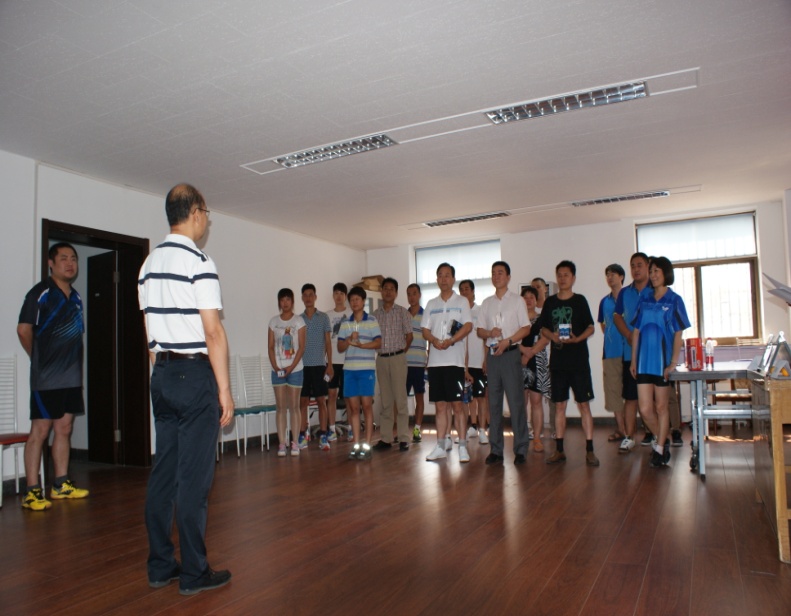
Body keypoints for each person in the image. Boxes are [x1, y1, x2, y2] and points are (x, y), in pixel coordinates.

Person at [138, 184, 233, 595]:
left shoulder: (147, 264)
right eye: (206, 212)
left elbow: (149, 333)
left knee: (163, 474)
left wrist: (160, 376)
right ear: (195, 212)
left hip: (161, 374)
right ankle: (194, 572)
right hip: (194, 376)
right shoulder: (199, 261)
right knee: (194, 480)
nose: (207, 220)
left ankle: (161, 566)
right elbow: (213, 332)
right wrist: (224, 391)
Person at [17, 242, 89, 511]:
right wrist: (38, 359)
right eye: (64, 258)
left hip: (72, 378)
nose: (70, 263)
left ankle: (60, 484)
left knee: (65, 429)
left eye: (73, 259)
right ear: (51, 263)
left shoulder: (77, 297)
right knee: (40, 431)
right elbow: (23, 329)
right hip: (46, 378)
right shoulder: (40, 293)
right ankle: (32, 491)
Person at [536, 260, 599, 466]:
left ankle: (590, 450)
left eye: (566, 275)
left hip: (579, 361)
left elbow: (591, 327)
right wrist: (552, 336)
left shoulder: (580, 301)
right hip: (558, 363)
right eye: (559, 275)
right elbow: (543, 328)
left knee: (584, 405)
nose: (562, 278)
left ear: (573, 278)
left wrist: (577, 339)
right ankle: (559, 450)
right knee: (560, 405)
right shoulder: (550, 302)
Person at [630, 256, 690, 467]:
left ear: (666, 274)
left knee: (662, 407)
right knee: (645, 409)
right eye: (651, 271)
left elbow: (678, 334)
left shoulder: (674, 300)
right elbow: (636, 331)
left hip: (663, 362)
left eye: (657, 271)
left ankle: (660, 448)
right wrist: (633, 360)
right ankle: (662, 440)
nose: (653, 275)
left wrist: (673, 363)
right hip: (643, 362)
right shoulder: (644, 298)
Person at [478, 262, 532, 465]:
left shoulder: (517, 301)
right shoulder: (486, 303)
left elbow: (526, 328)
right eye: (493, 273)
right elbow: (479, 331)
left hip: (510, 354)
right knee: (493, 404)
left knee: (516, 403)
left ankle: (521, 449)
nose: (496, 276)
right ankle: (496, 449)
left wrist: (508, 341)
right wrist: (489, 333)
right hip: (493, 356)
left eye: (500, 273)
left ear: (508, 277)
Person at [421, 263, 472, 463]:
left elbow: (468, 326)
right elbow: (425, 330)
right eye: (440, 275)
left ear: (453, 279)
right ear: (437, 279)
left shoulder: (462, 302)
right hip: (435, 362)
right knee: (440, 406)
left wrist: (451, 340)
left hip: (455, 362)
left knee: (457, 405)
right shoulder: (431, 304)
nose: (444, 279)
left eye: (447, 275)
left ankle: (463, 446)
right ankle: (441, 445)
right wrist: (434, 340)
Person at [337, 286, 382, 459]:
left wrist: (363, 345)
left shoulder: (372, 320)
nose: (354, 302)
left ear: (363, 301)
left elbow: (378, 342)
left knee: (367, 406)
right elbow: (340, 347)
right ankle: (356, 445)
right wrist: (348, 340)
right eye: (352, 300)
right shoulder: (345, 323)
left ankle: (367, 445)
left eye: (357, 299)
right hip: (349, 370)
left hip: (366, 370)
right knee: (354, 409)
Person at [612, 253, 650, 453]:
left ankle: (657, 436)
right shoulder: (625, 293)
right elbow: (617, 316)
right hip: (631, 354)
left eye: (640, 265)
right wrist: (628, 334)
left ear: (648, 266)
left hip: (653, 355)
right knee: (630, 397)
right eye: (633, 266)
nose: (636, 269)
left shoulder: (656, 290)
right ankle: (629, 437)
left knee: (654, 399)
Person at [372, 278, 413, 452]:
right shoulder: (375, 315)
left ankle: (403, 438)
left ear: (396, 293)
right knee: (386, 401)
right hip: (381, 359)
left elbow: (409, 336)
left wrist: (402, 352)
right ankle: (386, 438)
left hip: (397, 358)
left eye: (391, 289)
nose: (388, 291)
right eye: (385, 288)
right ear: (381, 292)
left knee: (401, 400)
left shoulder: (403, 312)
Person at [268, 288, 306, 457]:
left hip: (295, 370)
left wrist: (290, 368)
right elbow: (270, 347)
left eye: (288, 299)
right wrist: (276, 367)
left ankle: (295, 442)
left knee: (294, 407)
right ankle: (282, 443)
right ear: (279, 302)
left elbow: (302, 347)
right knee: (281, 408)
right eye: (282, 300)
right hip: (277, 370)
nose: (285, 303)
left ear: (292, 301)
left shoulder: (299, 321)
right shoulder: (273, 322)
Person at [298, 284, 333, 450]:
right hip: (302, 366)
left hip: (319, 365)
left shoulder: (323, 317)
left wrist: (329, 364)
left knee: (321, 401)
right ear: (302, 298)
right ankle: (302, 435)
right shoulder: (298, 320)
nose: (308, 298)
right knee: (303, 401)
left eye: (311, 295)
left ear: (315, 297)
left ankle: (323, 435)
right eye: (305, 295)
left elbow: (328, 342)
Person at [598, 264, 627, 443]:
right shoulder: (605, 301)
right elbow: (603, 325)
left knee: (633, 392)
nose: (609, 277)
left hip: (630, 352)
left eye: (613, 274)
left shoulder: (630, 297)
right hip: (610, 352)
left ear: (622, 276)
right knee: (614, 392)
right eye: (607, 275)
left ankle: (636, 430)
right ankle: (621, 430)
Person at [519, 286, 550, 453]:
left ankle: (537, 438)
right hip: (518, 362)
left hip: (537, 361)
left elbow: (545, 339)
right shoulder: (517, 319)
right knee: (521, 402)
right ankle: (522, 436)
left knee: (536, 401)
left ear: (536, 300)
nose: (528, 300)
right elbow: (511, 339)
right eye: (525, 297)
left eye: (532, 297)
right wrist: (523, 351)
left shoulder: (542, 318)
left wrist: (529, 354)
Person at [459, 279, 489, 444]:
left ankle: (482, 430)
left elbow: (485, 338)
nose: (464, 292)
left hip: (479, 362)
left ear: (473, 292)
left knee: (481, 397)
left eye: (467, 289)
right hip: (462, 364)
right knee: (465, 399)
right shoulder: (458, 313)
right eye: (461, 289)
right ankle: (469, 428)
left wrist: (486, 359)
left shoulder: (480, 311)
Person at [531, 276, 556, 438]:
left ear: (545, 289)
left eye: (538, 287)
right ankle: (536, 429)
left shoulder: (551, 308)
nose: (536, 290)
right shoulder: (528, 310)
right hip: (534, 359)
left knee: (553, 396)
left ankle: (555, 428)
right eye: (533, 287)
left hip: (551, 357)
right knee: (534, 398)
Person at [327, 283, 351, 441]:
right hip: (332, 362)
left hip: (349, 361)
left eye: (342, 293)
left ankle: (351, 427)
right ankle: (331, 429)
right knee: (332, 394)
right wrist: (328, 363)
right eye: (336, 293)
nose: (339, 296)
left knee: (349, 395)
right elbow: (326, 341)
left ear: (345, 296)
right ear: (333, 296)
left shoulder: (351, 314)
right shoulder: (327, 316)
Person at [406, 283, 427, 442]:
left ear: (419, 295)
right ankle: (400, 431)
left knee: (419, 397)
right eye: (409, 294)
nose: (412, 297)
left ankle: (417, 430)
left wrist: (430, 359)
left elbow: (430, 338)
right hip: (403, 364)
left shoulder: (426, 315)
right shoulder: (403, 315)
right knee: (400, 399)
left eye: (414, 293)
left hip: (420, 363)